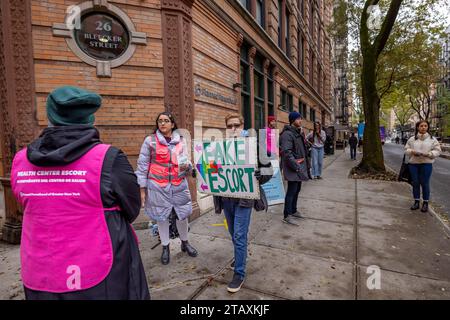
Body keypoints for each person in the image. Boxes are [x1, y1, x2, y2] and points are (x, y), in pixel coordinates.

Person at [10, 86, 150, 300]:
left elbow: (26, 203)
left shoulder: (21, 160)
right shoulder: (108, 158)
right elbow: (132, 207)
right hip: (99, 272)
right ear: (89, 119)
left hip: (41, 272)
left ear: (50, 117)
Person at [213, 113, 272, 293]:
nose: (233, 129)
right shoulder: (219, 147)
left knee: (239, 235)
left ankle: (239, 272)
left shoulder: (254, 145)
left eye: (236, 125)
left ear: (243, 125)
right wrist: (202, 174)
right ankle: (240, 256)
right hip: (226, 198)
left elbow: (268, 170)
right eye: (229, 126)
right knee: (234, 233)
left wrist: (259, 175)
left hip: (244, 200)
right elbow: (212, 168)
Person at [136, 112, 198, 265]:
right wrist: (142, 189)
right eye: (160, 121)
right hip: (158, 186)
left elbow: (185, 160)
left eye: (166, 121)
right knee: (161, 217)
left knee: (182, 215)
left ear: (172, 124)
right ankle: (165, 247)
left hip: (179, 185)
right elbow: (143, 166)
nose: (162, 123)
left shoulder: (181, 141)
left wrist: (189, 167)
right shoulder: (150, 141)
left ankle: (185, 243)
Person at [280, 111, 311, 226]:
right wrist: (296, 166)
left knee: (297, 190)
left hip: (299, 166)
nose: (300, 120)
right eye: (298, 119)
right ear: (293, 120)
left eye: (300, 118)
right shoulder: (287, 134)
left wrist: (303, 136)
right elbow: (287, 153)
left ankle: (293, 210)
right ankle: (286, 215)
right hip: (294, 167)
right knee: (291, 191)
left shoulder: (297, 133)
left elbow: (303, 148)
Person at [405, 120, 441, 212]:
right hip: (413, 164)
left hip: (426, 164)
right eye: (421, 126)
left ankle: (425, 203)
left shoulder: (433, 139)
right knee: (415, 183)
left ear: (427, 127)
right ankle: (416, 202)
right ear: (418, 127)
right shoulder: (412, 139)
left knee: (425, 183)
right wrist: (412, 152)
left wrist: (429, 154)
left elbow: (438, 151)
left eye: (425, 126)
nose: (423, 127)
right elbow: (406, 150)